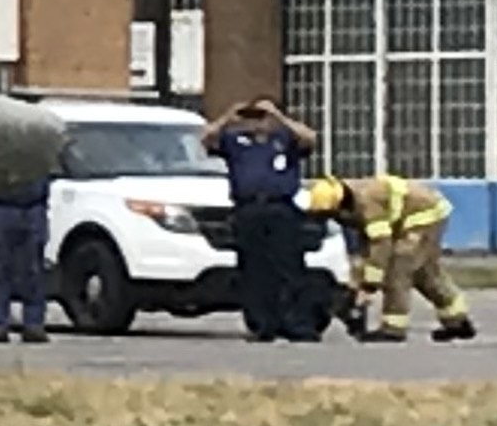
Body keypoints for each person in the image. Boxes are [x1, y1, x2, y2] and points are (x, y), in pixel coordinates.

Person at [310, 171, 479, 342]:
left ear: (339, 204)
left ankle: (393, 329)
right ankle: (457, 322)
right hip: (410, 219)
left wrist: (369, 285)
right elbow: (366, 244)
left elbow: (381, 244)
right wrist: (358, 279)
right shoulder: (351, 204)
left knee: (398, 267)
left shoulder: (366, 202)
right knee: (425, 273)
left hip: (424, 217)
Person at [205, 97, 318, 341]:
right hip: (248, 208)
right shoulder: (237, 142)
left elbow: (310, 138)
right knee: (254, 270)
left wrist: (278, 117)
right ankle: (261, 324)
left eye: (261, 118)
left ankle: (296, 323)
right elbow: (206, 138)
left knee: (289, 268)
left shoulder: (285, 140)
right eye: (252, 118)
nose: (257, 123)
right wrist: (229, 116)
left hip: (281, 208)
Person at [0, 169, 52, 343]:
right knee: (0, 270)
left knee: (32, 270)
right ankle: (1, 323)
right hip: (8, 207)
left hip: (29, 208)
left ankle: (31, 324)